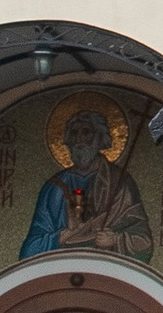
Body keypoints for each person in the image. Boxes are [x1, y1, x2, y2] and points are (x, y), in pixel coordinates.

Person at [20, 105, 155, 261]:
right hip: (61, 268)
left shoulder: (119, 183)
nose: (79, 140)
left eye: (86, 132)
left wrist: (115, 240)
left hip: (106, 268)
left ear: (99, 138)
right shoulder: (54, 188)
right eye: (74, 133)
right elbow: (29, 251)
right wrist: (63, 236)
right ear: (67, 141)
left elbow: (144, 243)